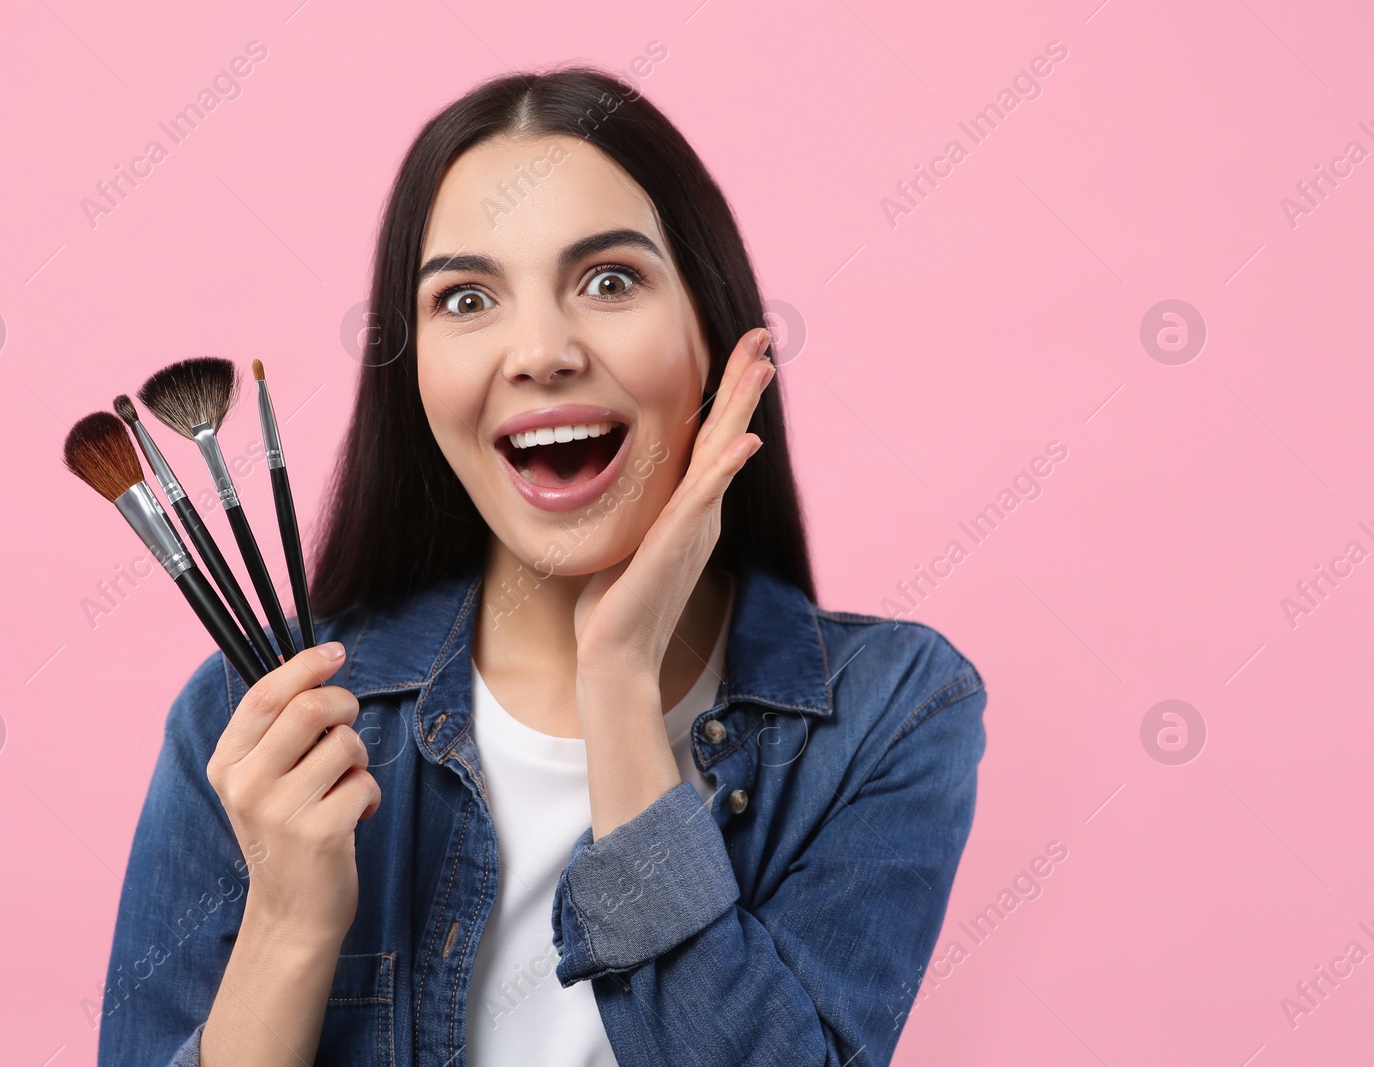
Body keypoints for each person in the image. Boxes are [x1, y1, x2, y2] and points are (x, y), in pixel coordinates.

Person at [98, 66, 987, 1067]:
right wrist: (290, 926)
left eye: (609, 281)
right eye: (466, 297)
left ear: (712, 328)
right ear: (415, 374)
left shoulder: (894, 709)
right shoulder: (258, 724)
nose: (539, 350)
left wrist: (616, 681)